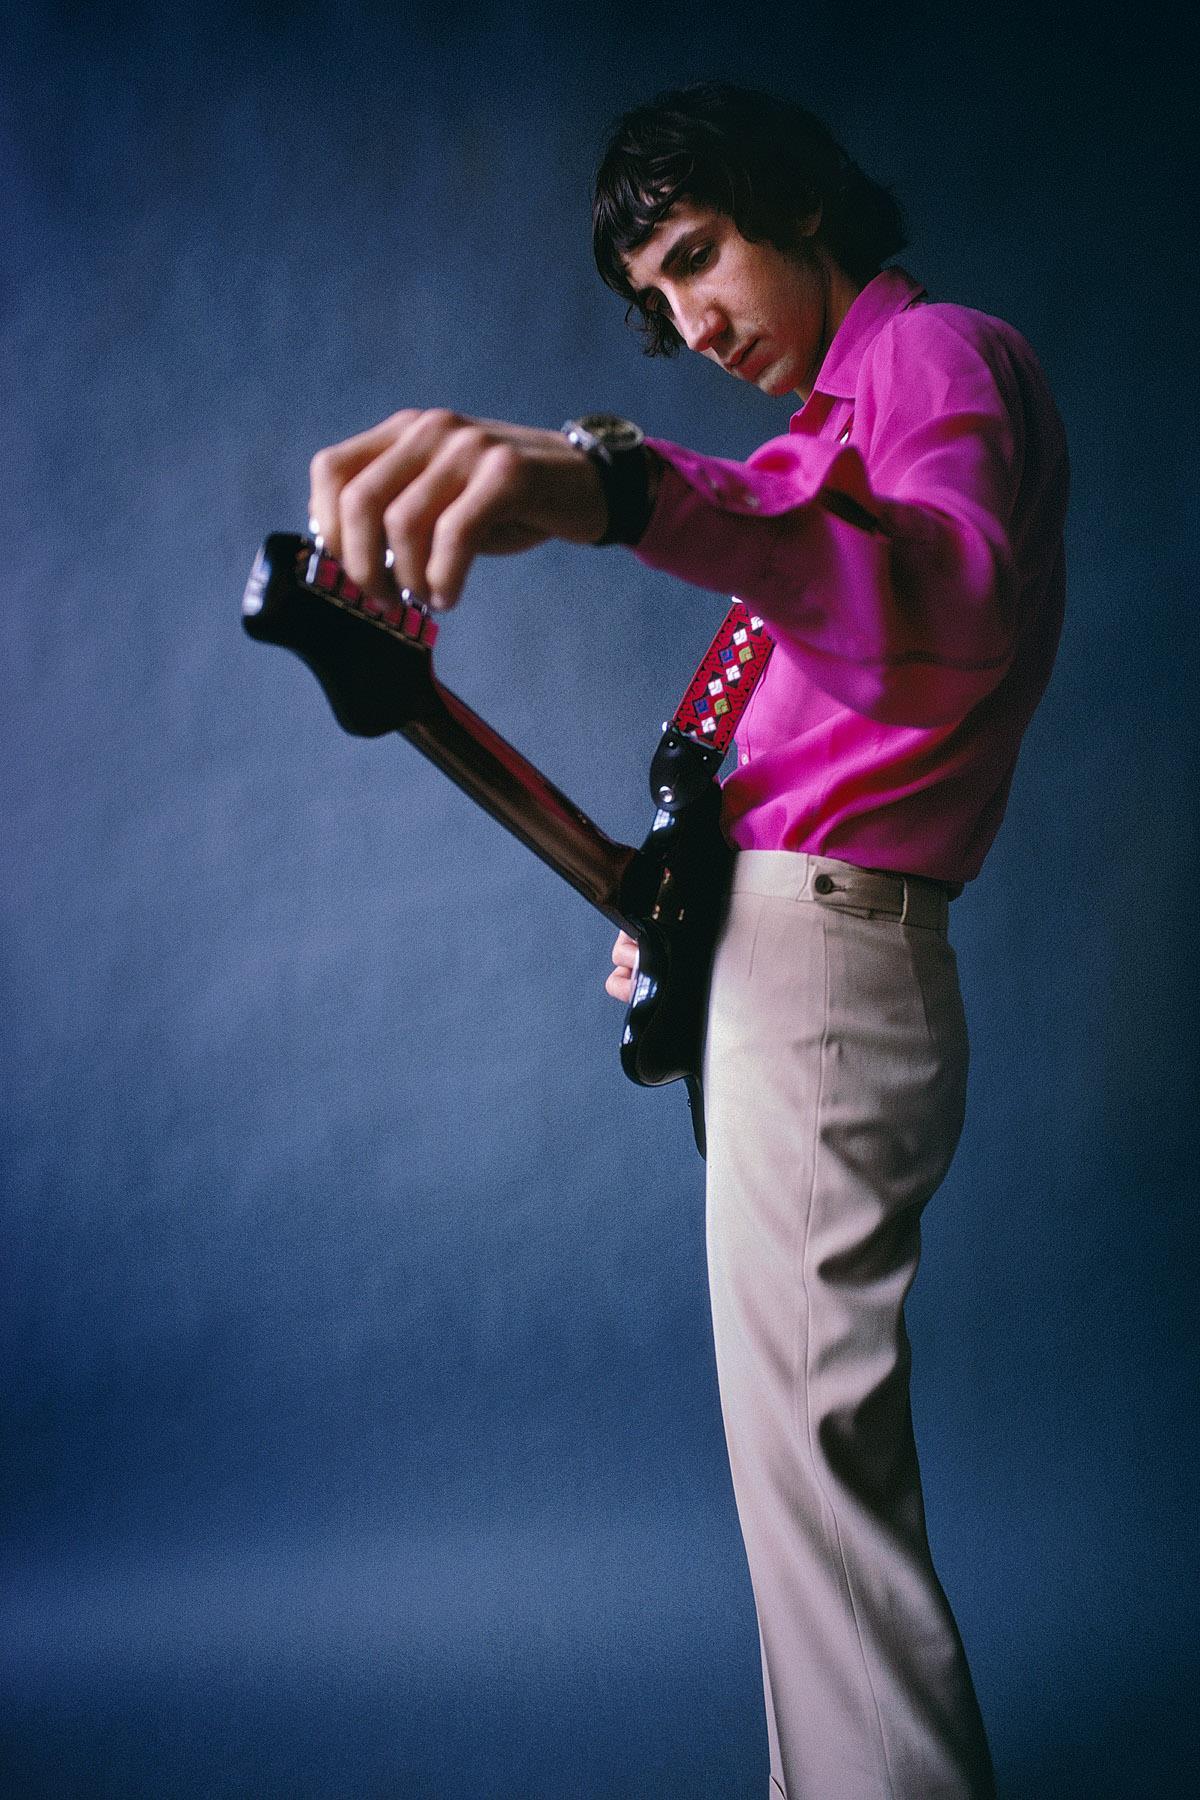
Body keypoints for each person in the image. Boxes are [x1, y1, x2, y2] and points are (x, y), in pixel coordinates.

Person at [307, 82, 1068, 1799]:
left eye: (699, 255)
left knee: (822, 1511)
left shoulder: (935, 359)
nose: (687, 321)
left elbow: (942, 613)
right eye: (654, 301)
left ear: (795, 200)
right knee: (802, 1510)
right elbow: (802, 710)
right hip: (778, 962)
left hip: (836, 968)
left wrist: (616, 486)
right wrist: (685, 899)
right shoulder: (820, 440)